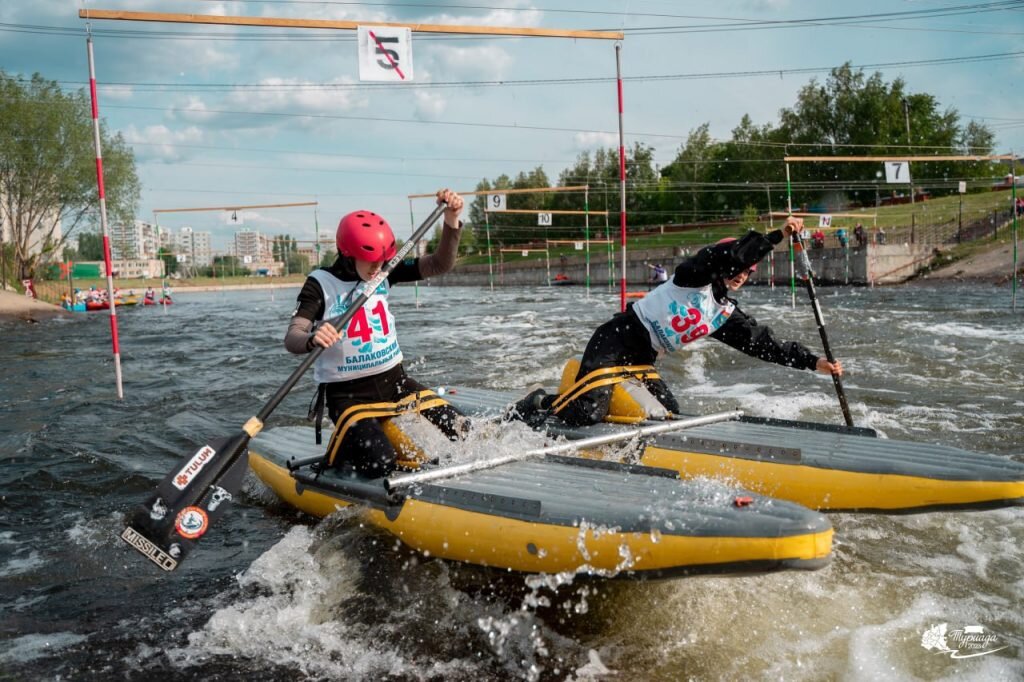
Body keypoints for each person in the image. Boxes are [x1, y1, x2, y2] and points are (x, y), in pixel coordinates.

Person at [511, 217, 843, 427]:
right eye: (739, 268)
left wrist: (814, 363)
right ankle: (538, 402)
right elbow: (727, 256)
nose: (742, 275)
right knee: (587, 414)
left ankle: (600, 402)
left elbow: (763, 344)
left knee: (668, 411)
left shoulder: (723, 314)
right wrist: (775, 237)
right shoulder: (693, 276)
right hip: (615, 342)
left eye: (748, 272)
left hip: (642, 361)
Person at [284, 189, 469, 477]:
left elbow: (439, 264)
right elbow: (293, 335)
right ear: (347, 255)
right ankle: (342, 449)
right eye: (369, 261)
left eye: (382, 261)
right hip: (349, 396)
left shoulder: (385, 269)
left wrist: (451, 218)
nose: (377, 268)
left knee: (461, 427)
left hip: (395, 382)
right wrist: (312, 337)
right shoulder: (319, 284)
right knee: (380, 463)